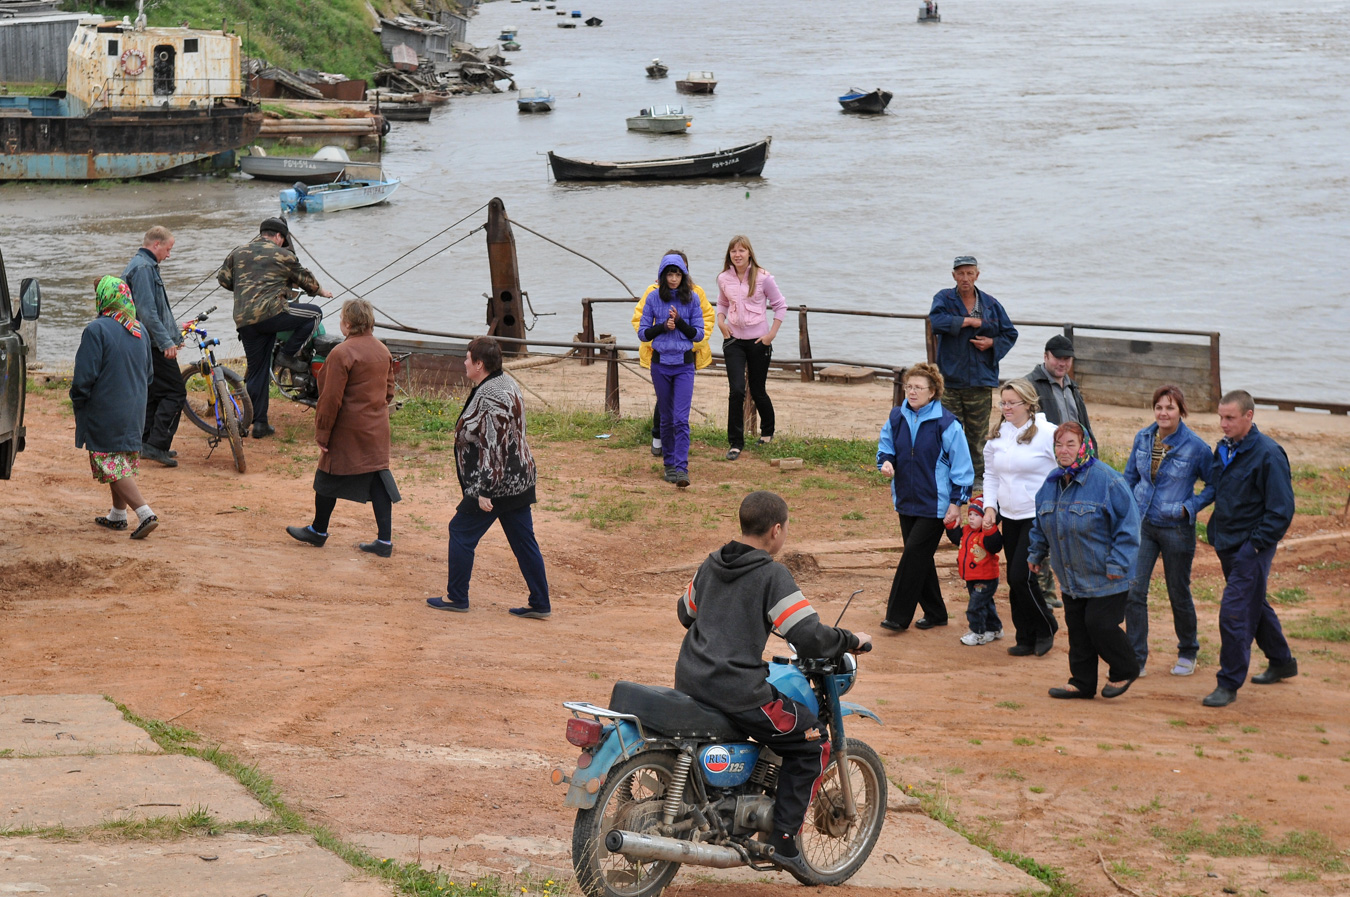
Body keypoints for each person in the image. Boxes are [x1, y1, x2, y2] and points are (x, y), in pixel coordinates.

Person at [675, 490, 872, 876]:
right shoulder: (771, 574)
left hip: (690, 679)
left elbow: (686, 613)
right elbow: (809, 636)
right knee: (812, 740)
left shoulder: (711, 563)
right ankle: (783, 842)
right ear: (776, 530)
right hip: (737, 690)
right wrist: (850, 639)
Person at [426, 336, 551, 618]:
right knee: (523, 541)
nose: (465, 362)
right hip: (519, 478)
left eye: (468, 358)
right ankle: (540, 603)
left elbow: (495, 445)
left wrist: (485, 490)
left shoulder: (492, 395)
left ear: (480, 364)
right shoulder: (504, 383)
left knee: (460, 531)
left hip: (497, 484)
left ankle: (456, 597)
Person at [1029, 422, 1141, 699]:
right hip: (1070, 575)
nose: (1063, 450)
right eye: (1059, 444)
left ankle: (1125, 668)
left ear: (1084, 446)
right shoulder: (1052, 482)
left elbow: (1129, 527)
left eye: (1070, 444)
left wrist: (1117, 564)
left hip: (1106, 574)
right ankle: (1082, 682)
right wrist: (1036, 552)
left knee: (1099, 625)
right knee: (1078, 629)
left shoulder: (1108, 481)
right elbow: (1041, 522)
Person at [1201, 390, 1297, 708]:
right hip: (1226, 543)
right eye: (1220, 417)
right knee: (1255, 602)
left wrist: (1254, 547)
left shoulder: (1269, 454)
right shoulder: (1224, 449)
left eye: (1229, 417)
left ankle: (1228, 683)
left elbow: (1281, 510)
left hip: (1250, 548)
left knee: (1234, 612)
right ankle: (1282, 660)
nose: (1223, 423)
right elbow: (1218, 487)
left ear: (1248, 416)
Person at [286, 300, 399, 557]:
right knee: (379, 478)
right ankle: (384, 541)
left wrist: (322, 432)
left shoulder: (342, 353)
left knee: (326, 475)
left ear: (347, 323)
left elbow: (329, 399)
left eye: (341, 319)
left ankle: (318, 531)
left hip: (347, 429)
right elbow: (389, 391)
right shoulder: (383, 350)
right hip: (377, 427)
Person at [1122, 385, 1214, 678]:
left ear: (1181, 411)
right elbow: (1129, 477)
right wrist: (1125, 510)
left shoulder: (1196, 447)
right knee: (1134, 591)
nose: (1163, 413)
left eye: (1170, 408)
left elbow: (1213, 484)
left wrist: (1190, 506)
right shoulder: (1143, 437)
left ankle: (1188, 651)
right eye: (1159, 407)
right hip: (1144, 525)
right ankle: (1137, 659)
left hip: (1177, 529)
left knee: (1178, 592)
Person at [876, 362, 973, 631]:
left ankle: (897, 616)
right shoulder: (896, 417)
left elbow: (963, 467)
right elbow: (886, 448)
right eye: (909, 386)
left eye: (919, 387)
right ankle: (936, 613)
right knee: (920, 559)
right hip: (906, 500)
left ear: (933, 392)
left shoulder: (948, 424)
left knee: (913, 556)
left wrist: (956, 504)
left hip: (936, 504)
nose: (912, 391)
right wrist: (886, 462)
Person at [216, 217, 332, 438]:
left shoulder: (238, 252)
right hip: (271, 315)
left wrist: (246, 288)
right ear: (280, 237)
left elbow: (223, 279)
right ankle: (287, 355)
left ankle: (259, 424)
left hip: (244, 321)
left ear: (262, 234)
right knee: (314, 314)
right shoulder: (284, 255)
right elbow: (306, 280)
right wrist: (322, 292)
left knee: (257, 370)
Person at [70, 276, 159, 540]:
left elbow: (84, 377)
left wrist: (79, 399)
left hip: (106, 407)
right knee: (121, 459)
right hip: (135, 407)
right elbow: (150, 375)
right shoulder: (140, 330)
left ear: (105, 298)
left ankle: (145, 513)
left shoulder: (96, 330)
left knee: (108, 460)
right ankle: (117, 515)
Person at [982, 379, 1059, 656]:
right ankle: (1025, 637)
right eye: (1003, 403)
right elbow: (990, 475)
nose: (1006, 408)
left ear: (1028, 403)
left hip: (1036, 517)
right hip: (1010, 517)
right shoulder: (998, 435)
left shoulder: (1048, 433)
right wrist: (990, 507)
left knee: (1020, 576)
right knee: (1015, 580)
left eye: (1012, 403)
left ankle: (1046, 626)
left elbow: (1065, 468)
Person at [928, 256, 1018, 483]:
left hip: (980, 379)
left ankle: (978, 476)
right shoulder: (944, 299)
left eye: (970, 273)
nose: (965, 278)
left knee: (978, 434)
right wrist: (968, 322)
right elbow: (936, 322)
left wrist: (992, 344)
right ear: (953, 276)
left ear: (977, 275)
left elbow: (1009, 333)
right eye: (960, 273)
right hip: (949, 379)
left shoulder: (990, 304)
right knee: (948, 431)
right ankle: (949, 474)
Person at [1025, 335, 1095, 610]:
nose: (1063, 363)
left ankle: (1071, 584)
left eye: (1067, 358)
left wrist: (1093, 457)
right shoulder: (1031, 385)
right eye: (1058, 357)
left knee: (1072, 525)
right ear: (1045, 356)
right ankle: (1044, 590)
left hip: (1076, 466)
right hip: (1047, 467)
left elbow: (1083, 426)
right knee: (1043, 525)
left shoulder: (1071, 387)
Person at [630, 250, 714, 458]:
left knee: (680, 411)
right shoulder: (652, 293)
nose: (674, 277)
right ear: (663, 272)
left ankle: (679, 460)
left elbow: (706, 322)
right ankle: (659, 440)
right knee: (664, 404)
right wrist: (654, 342)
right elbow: (639, 323)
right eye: (670, 272)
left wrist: (691, 345)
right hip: (659, 356)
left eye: (680, 271)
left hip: (685, 357)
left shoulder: (696, 294)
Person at [716, 235, 788, 460]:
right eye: (733, 251)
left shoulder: (764, 277)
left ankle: (767, 431)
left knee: (757, 389)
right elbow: (722, 303)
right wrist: (721, 321)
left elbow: (780, 306)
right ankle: (736, 443)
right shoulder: (723, 278)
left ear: (749, 253)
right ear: (729, 255)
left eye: (742, 251)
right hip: (734, 341)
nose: (737, 255)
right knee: (736, 390)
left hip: (759, 341)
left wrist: (770, 335)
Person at [122, 225, 183, 468]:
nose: (169, 255)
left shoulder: (142, 265)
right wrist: (166, 342)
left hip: (147, 341)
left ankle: (146, 442)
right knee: (176, 392)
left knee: (155, 393)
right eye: (168, 249)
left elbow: (158, 310)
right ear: (155, 245)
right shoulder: (144, 268)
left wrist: (175, 335)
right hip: (152, 344)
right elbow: (147, 312)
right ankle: (157, 445)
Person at [945, 497, 1005, 646]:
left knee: (975, 606)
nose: (971, 518)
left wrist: (990, 529)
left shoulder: (987, 534)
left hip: (986, 578)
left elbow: (996, 545)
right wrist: (951, 525)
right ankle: (995, 628)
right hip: (971, 577)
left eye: (977, 515)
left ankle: (978, 632)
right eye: (970, 514)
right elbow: (955, 538)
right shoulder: (966, 530)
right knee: (986, 603)